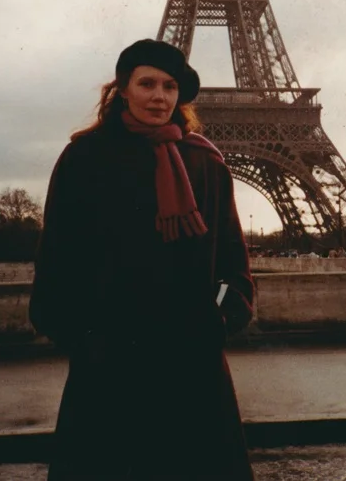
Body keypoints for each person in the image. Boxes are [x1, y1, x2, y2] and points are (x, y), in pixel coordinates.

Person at [29, 39, 255, 481]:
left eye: (170, 86)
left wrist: (222, 317)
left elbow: (232, 254)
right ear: (123, 90)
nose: (159, 96)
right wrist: (81, 335)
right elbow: (57, 255)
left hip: (191, 353)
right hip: (111, 354)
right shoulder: (85, 158)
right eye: (147, 83)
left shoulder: (204, 161)